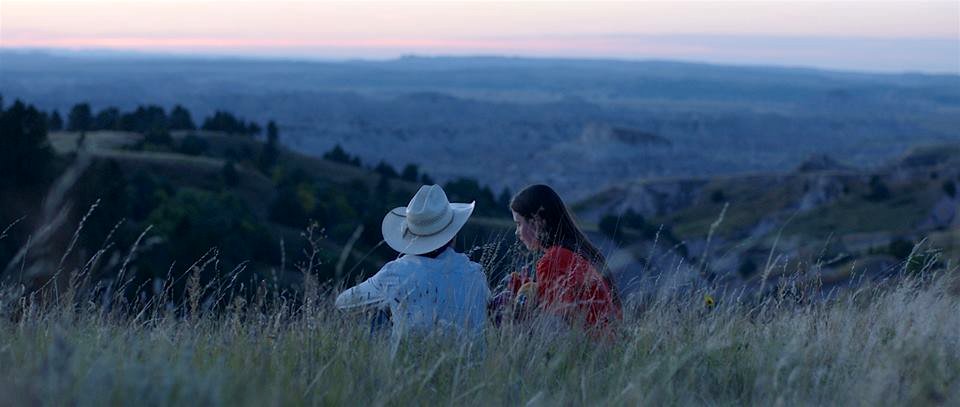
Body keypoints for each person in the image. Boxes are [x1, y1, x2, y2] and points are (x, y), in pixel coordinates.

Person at [335, 185, 490, 352]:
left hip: (407, 371)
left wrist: (389, 305)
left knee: (378, 316)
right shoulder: (475, 274)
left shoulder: (395, 273)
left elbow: (343, 303)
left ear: (411, 235)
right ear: (452, 234)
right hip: (471, 372)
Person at [493, 184, 621, 335]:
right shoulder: (577, 252)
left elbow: (553, 327)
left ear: (538, 222)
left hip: (587, 350)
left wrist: (519, 305)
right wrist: (528, 289)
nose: (517, 232)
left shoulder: (553, 261)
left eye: (519, 224)